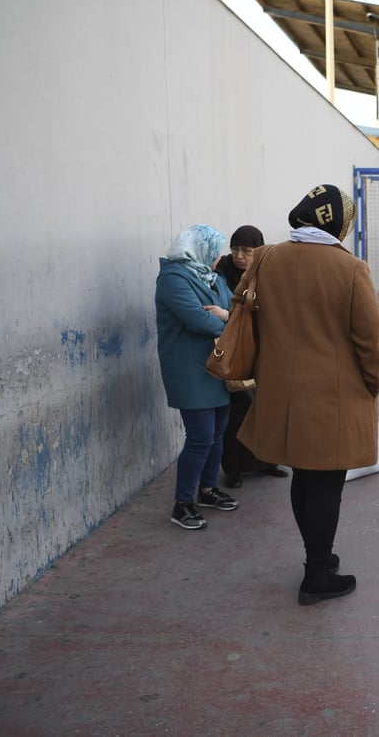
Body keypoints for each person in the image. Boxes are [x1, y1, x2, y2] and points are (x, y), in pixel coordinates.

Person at [235, 184, 379, 605]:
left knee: (303, 477)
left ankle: (317, 556)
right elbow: (371, 341)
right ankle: (316, 575)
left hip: (281, 393)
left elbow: (241, 305)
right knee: (326, 485)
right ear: (335, 223)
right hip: (331, 399)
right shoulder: (350, 268)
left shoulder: (268, 258)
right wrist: (373, 383)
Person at [154, 224, 240, 530]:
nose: (217, 259)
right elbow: (198, 321)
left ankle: (207, 489)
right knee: (200, 436)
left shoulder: (212, 276)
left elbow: (234, 308)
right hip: (189, 369)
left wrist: (227, 316)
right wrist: (229, 322)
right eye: (213, 252)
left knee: (217, 433)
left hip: (217, 367)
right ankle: (182, 503)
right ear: (196, 248)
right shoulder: (173, 279)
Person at [214, 224, 289, 488]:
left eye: (246, 250)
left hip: (266, 353)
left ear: (258, 250)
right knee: (239, 411)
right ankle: (233, 469)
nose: (239, 256)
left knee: (267, 410)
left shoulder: (267, 271)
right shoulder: (221, 272)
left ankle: (266, 462)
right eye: (235, 249)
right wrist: (228, 315)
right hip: (239, 353)